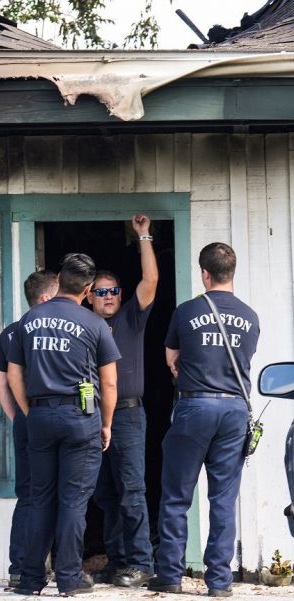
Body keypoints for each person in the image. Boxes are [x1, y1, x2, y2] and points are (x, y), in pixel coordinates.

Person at [149, 242, 260, 598]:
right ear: (232, 272)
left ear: (204, 274)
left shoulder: (186, 312)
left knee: (177, 497)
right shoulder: (250, 316)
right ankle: (219, 583)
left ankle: (169, 575)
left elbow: (171, 359)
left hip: (195, 406)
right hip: (233, 410)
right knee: (223, 499)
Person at [7, 253, 120, 597]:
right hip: (80, 417)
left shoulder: (28, 321)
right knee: (73, 501)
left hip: (39, 416)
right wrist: (106, 425)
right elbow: (110, 383)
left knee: (40, 498)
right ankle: (69, 579)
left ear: (60, 278)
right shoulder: (94, 324)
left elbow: (14, 375)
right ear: (88, 289)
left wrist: (30, 411)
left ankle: (30, 580)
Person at [86, 214, 159, 588]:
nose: (109, 296)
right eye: (101, 291)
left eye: (113, 290)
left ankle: (141, 562)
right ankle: (117, 561)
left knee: (132, 491)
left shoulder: (131, 316)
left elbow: (150, 281)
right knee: (105, 494)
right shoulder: (83, 324)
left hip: (128, 416)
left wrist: (143, 235)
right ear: (89, 295)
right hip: (92, 418)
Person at [0, 271, 60, 588]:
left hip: (25, 420)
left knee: (29, 494)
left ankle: (20, 567)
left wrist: (18, 416)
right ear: (46, 298)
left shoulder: (10, 333)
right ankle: (55, 565)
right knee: (60, 493)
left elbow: (0, 383)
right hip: (54, 416)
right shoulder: (57, 330)